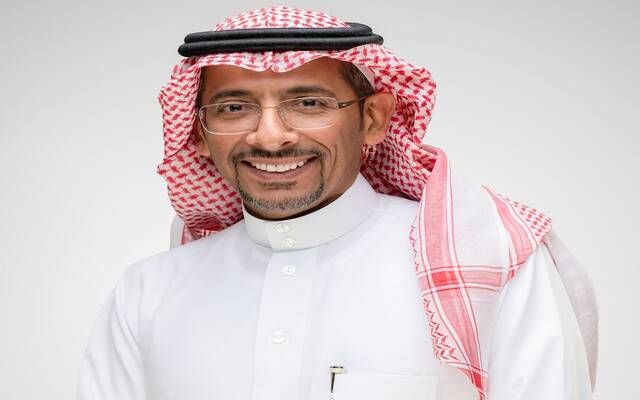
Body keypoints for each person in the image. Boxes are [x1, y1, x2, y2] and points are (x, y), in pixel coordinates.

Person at [77, 6, 598, 400]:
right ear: (197, 133)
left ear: (373, 119)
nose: (270, 136)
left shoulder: (491, 262)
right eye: (234, 107)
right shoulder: (148, 292)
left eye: (309, 103)